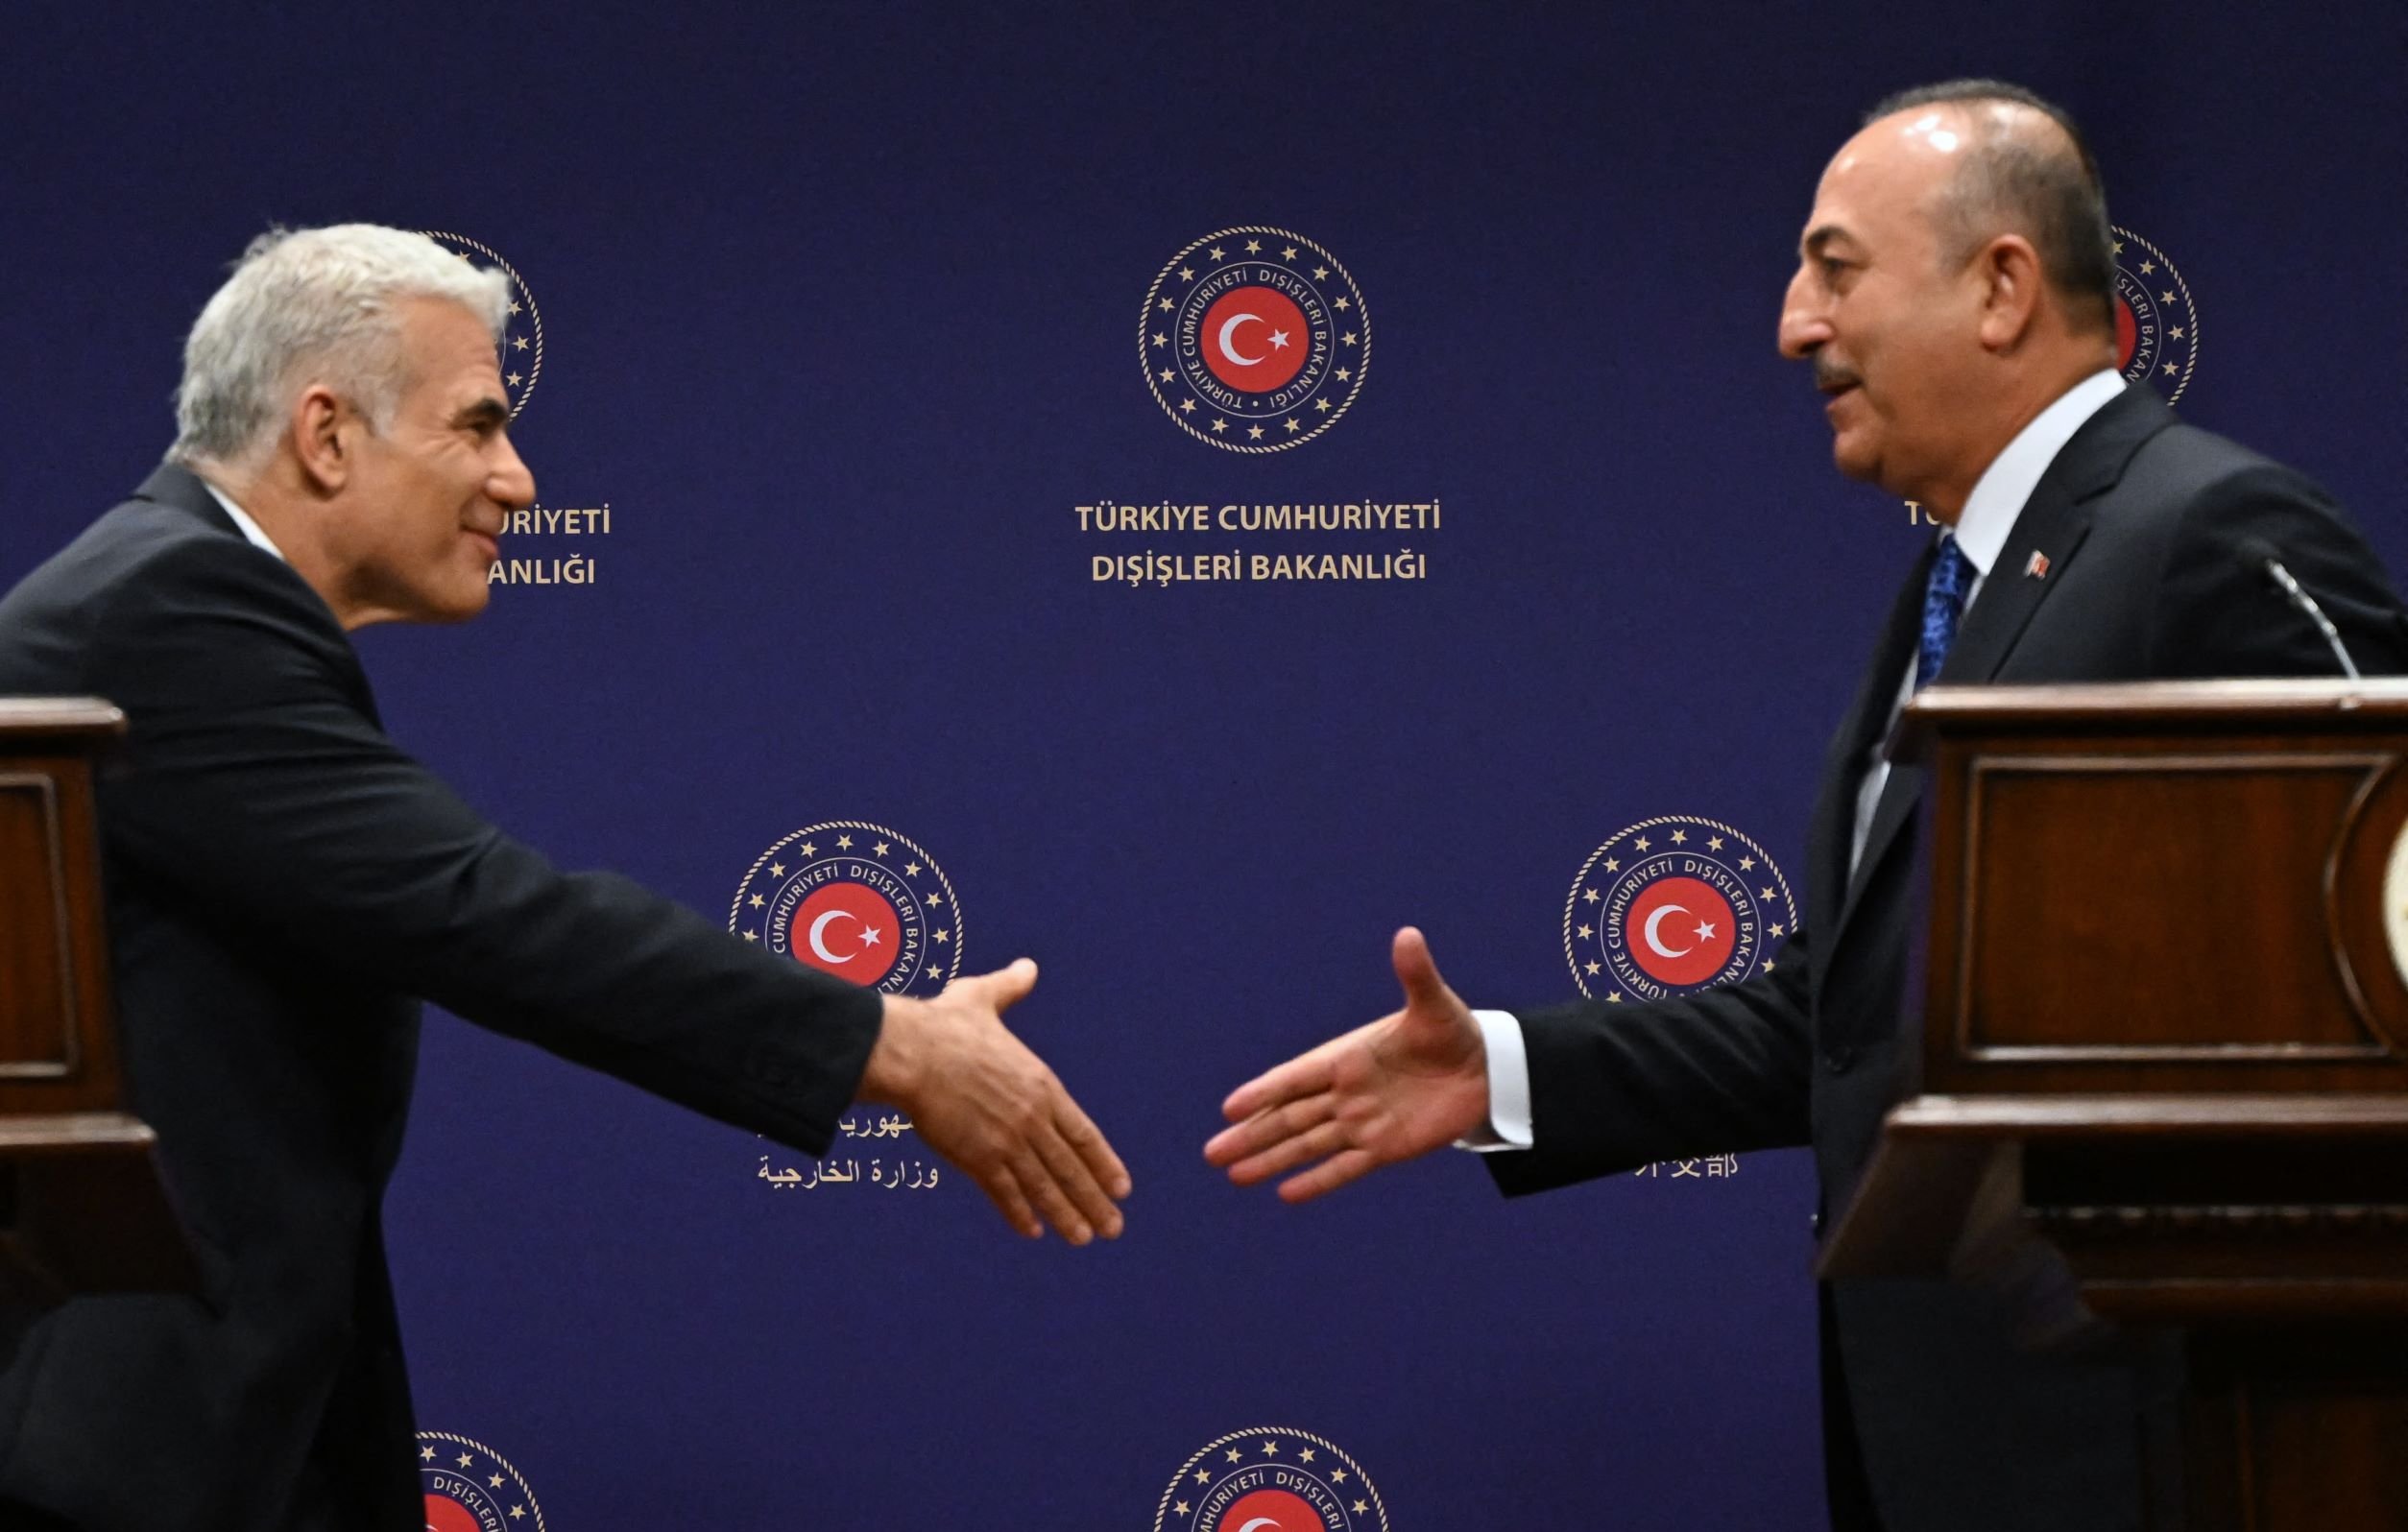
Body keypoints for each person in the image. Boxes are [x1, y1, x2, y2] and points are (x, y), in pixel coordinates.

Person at [1205, 80, 2408, 1532]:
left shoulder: (2208, 531)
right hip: (1959, 1452)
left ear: (2003, 286)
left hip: (2160, 1449)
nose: (1793, 325)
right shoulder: (1952, 579)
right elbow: (1845, 1025)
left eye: (1834, 269)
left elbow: (2386, 933)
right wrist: (1502, 1073)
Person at [0, 225, 1130, 1532]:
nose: (519, 480)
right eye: (477, 427)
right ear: (325, 436)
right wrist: (893, 1047)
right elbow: (488, 915)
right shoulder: (173, 606)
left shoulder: (168, 593)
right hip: (102, 1459)